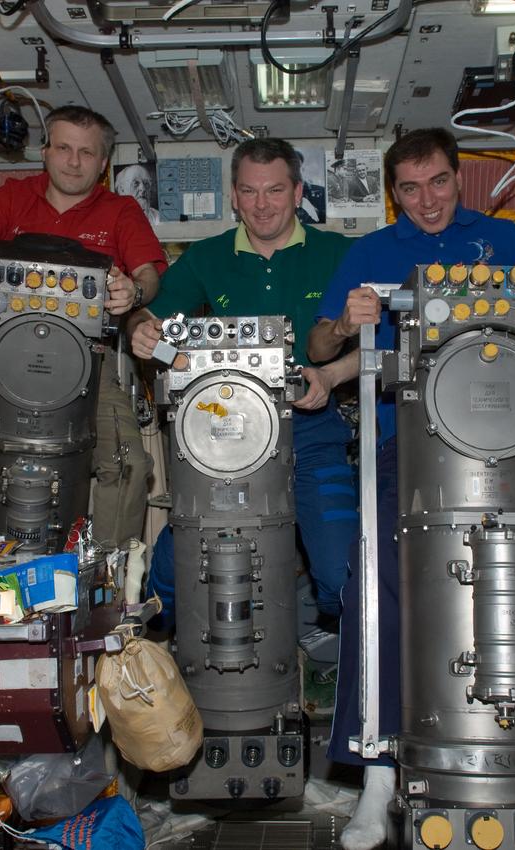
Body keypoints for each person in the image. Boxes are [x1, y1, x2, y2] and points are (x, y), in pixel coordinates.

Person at [307, 128, 515, 850]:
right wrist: (345, 321)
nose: (426, 200)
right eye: (409, 188)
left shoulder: (503, 240)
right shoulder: (368, 255)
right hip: (412, 455)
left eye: (437, 183)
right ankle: (378, 777)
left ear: (459, 180)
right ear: (392, 192)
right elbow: (320, 346)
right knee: (375, 579)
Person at [0, 104, 167, 550]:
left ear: (103, 164)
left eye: (87, 153)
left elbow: (148, 274)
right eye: (64, 148)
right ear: (45, 151)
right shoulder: (12, 198)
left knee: (129, 463)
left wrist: (134, 293)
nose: (73, 161)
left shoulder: (121, 211)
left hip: (88, 370)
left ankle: (102, 575)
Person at [127, 137, 359, 619]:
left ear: (298, 193)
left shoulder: (339, 253)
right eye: (249, 192)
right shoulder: (207, 258)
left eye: (275, 190)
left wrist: (331, 376)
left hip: (312, 430)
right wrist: (143, 333)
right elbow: (145, 316)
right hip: (224, 432)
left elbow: (383, 340)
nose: (262, 204)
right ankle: (160, 656)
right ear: (233, 196)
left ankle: (344, 672)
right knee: (166, 579)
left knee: (342, 577)